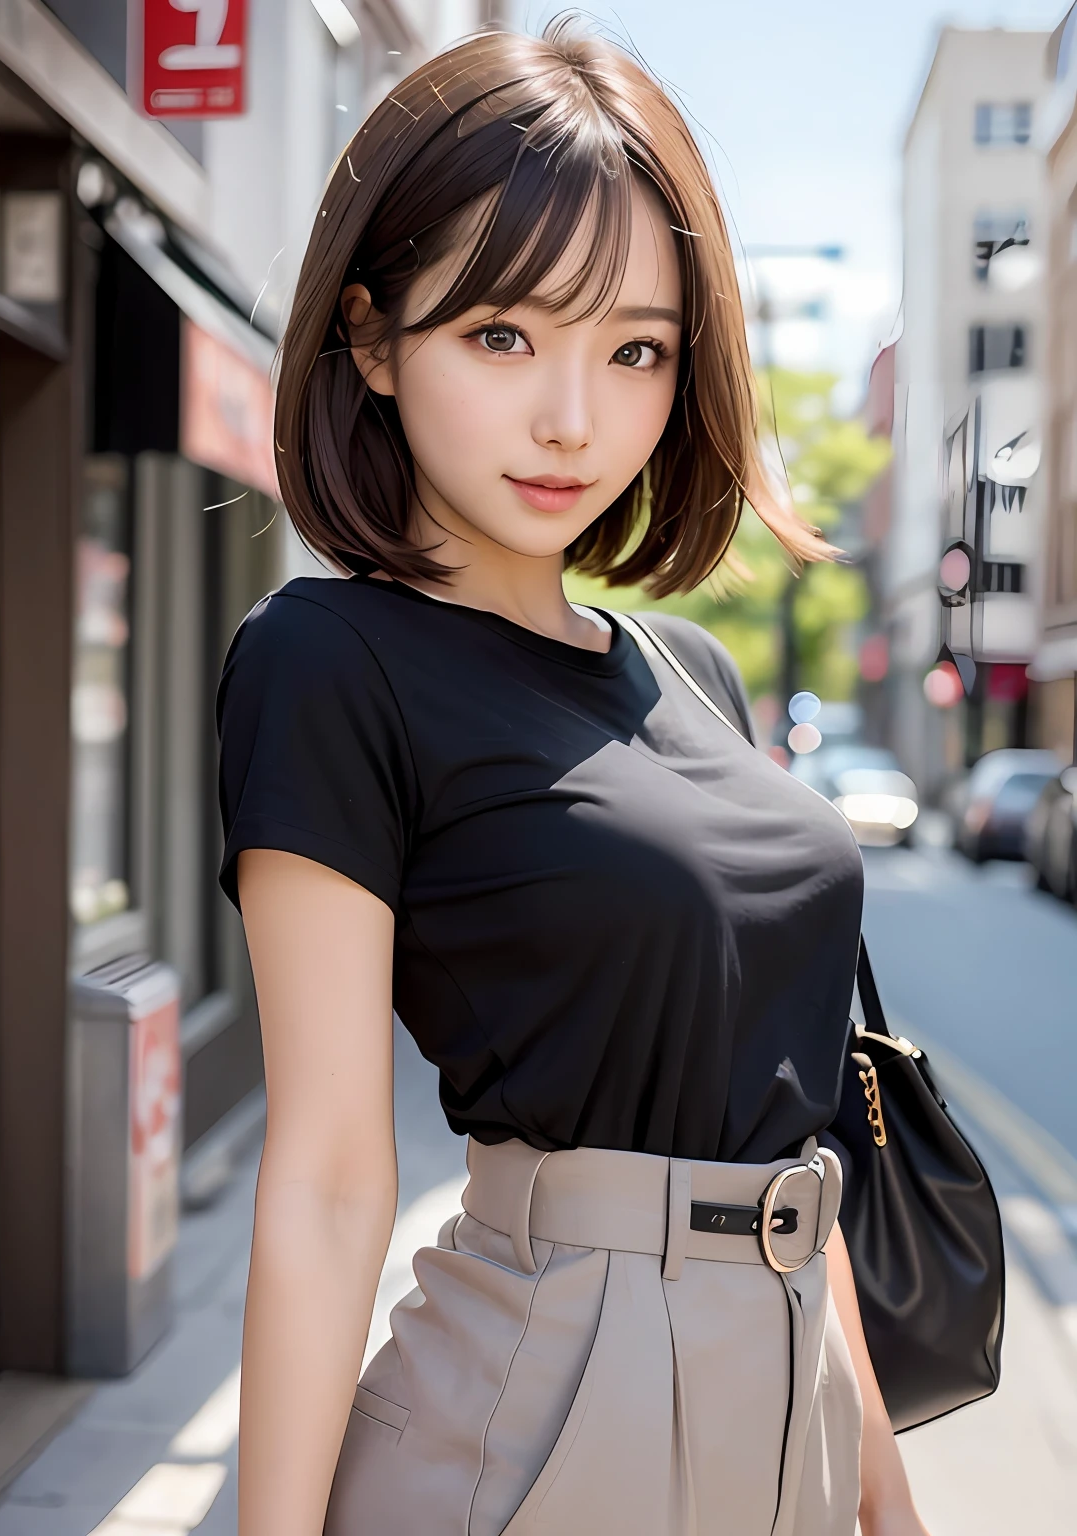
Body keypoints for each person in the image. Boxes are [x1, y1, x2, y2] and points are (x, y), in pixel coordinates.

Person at [217, 19, 930, 1536]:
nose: (572, 417)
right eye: (500, 336)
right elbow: (334, 1176)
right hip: (540, 1419)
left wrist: (888, 1502)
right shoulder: (330, 659)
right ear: (370, 336)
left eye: (635, 352)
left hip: (790, 1409)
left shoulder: (695, 674)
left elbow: (797, 1141)